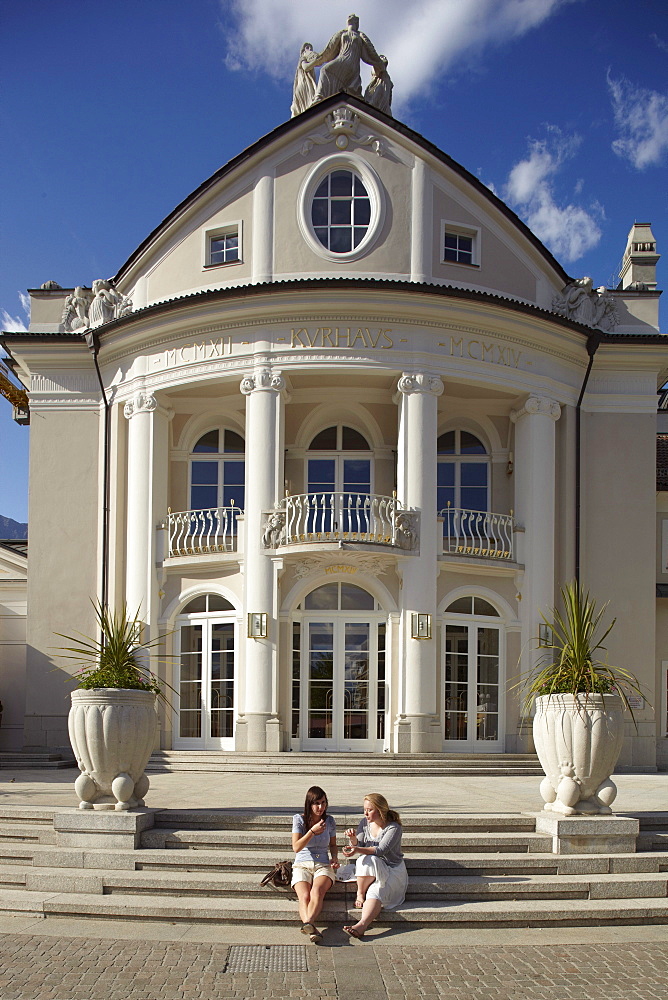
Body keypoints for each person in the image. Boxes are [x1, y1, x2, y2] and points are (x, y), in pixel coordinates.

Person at [342, 792, 407, 939]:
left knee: (375, 886)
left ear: (380, 810)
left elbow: (381, 850)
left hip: (391, 870)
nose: (365, 813)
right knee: (365, 862)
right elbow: (359, 844)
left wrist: (357, 849)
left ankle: (362, 924)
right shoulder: (364, 823)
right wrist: (353, 840)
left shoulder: (393, 828)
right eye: (364, 809)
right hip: (373, 870)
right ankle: (360, 896)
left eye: (369, 809)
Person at [291, 785, 340, 942]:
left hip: (322, 864)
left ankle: (308, 924)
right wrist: (312, 831)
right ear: (309, 804)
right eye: (317, 803)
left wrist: (334, 857)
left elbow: (333, 845)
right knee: (304, 896)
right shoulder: (299, 819)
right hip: (302, 863)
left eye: (323, 803)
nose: (320, 807)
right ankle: (311, 929)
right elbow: (296, 847)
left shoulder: (330, 821)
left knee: (317, 892)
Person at [312, 14, 385, 103]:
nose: (350, 17)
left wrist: (379, 64)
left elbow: (369, 53)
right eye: (349, 16)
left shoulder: (360, 35)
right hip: (342, 59)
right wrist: (315, 61)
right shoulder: (342, 33)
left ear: (356, 22)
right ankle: (319, 98)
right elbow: (328, 51)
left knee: (325, 70)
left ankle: (320, 98)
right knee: (325, 70)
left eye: (353, 17)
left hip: (352, 63)